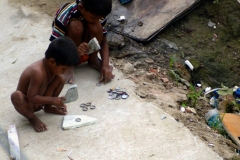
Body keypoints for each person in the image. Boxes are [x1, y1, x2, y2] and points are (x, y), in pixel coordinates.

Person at [11, 37, 79, 132]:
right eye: (63, 69)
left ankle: (48, 107)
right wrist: (52, 100)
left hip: (40, 101)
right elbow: (31, 97)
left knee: (60, 79)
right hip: (28, 104)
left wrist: (55, 102)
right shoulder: (37, 72)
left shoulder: (51, 68)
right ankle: (32, 118)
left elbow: (52, 83)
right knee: (16, 96)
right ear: (51, 62)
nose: (64, 72)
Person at [50, 0, 115, 84]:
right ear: (81, 8)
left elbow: (103, 41)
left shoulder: (98, 13)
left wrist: (105, 65)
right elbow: (55, 45)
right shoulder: (66, 14)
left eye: (99, 18)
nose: (97, 20)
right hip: (68, 46)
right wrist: (73, 51)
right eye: (93, 18)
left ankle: (93, 59)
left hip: (85, 46)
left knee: (97, 26)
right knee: (76, 27)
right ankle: (69, 64)